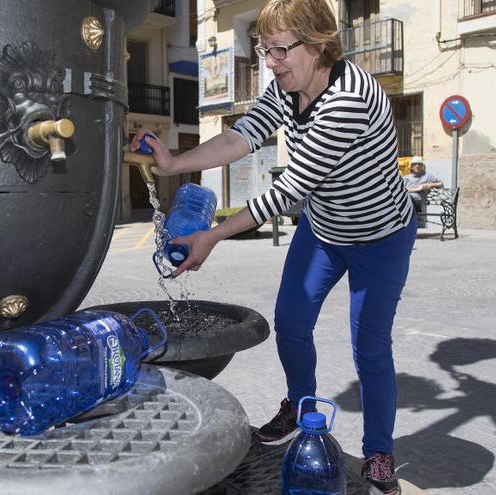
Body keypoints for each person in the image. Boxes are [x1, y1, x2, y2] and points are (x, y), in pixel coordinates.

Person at [129, 1, 414, 492]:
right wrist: (176, 164)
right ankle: (300, 408)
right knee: (291, 321)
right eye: (266, 50)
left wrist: (213, 235)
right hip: (324, 228)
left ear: (320, 42)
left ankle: (379, 453)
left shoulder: (349, 100)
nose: (272, 61)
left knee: (369, 347)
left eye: (281, 49)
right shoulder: (289, 86)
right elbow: (242, 136)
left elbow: (290, 190)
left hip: (379, 236)